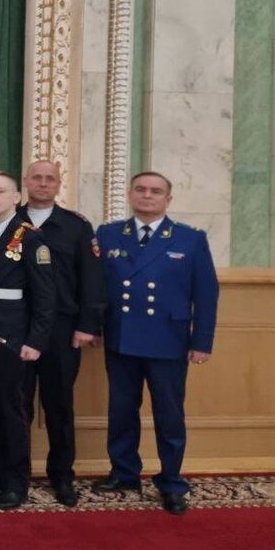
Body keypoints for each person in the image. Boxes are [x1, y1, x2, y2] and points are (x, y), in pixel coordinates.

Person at [93, 172, 218, 515]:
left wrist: (202, 341)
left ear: (168, 199)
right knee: (121, 410)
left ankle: (172, 482)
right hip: (121, 337)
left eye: (156, 191)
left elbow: (206, 295)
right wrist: (94, 327)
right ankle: (124, 473)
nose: (147, 195)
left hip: (169, 340)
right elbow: (96, 287)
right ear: (130, 194)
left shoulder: (190, 239)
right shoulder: (108, 234)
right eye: (141, 189)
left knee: (169, 415)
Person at [0, 171, 56, 510]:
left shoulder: (30, 239)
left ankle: (17, 480)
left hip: (15, 338)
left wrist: (35, 341)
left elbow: (45, 297)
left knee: (13, 412)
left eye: (1, 191)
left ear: (16, 197)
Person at [16, 159, 106, 505]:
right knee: (16, 405)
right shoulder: (10, 221)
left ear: (58, 183)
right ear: (26, 181)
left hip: (62, 329)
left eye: (49, 178)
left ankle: (62, 476)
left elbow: (92, 279)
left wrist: (87, 325)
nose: (43, 183)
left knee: (59, 405)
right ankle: (14, 475)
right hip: (18, 327)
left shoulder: (76, 227)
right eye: (37, 177)